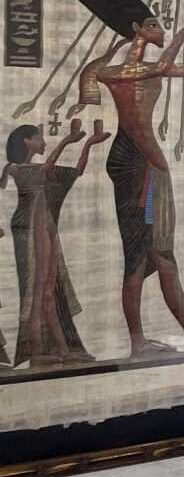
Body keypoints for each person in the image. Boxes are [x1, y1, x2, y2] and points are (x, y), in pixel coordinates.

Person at [27, 0, 184, 357]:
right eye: (153, 24)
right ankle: (139, 342)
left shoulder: (139, 68)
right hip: (136, 163)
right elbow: (157, 68)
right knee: (139, 256)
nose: (161, 29)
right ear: (135, 30)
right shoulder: (115, 71)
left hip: (149, 164)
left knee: (161, 255)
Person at [3, 118, 109, 365]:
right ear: (26, 142)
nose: (43, 142)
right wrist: (66, 141)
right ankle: (36, 353)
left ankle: (63, 350)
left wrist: (88, 145)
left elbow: (77, 171)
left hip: (47, 228)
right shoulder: (15, 168)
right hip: (31, 228)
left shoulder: (36, 169)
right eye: (38, 138)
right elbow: (44, 170)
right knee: (37, 292)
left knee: (49, 293)